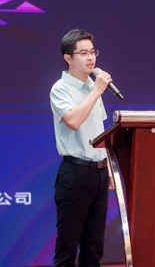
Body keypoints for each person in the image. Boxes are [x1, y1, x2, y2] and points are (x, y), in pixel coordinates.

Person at [50, 29, 113, 267]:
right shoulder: (60, 89)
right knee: (67, 250)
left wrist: (108, 167)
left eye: (93, 52)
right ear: (68, 57)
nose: (90, 58)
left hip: (99, 172)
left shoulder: (92, 87)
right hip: (75, 173)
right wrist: (97, 91)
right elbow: (73, 121)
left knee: (93, 249)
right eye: (83, 53)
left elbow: (98, 130)